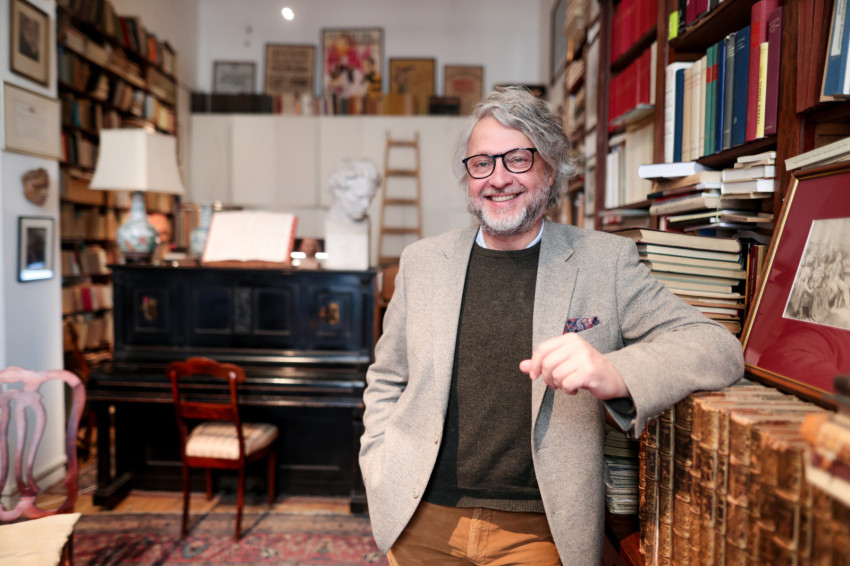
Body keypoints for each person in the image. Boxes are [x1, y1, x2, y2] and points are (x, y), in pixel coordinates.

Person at [359, 86, 744, 565]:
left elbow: (717, 347)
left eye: (518, 159)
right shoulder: (421, 262)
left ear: (551, 168)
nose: (498, 178)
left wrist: (617, 372)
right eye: (482, 163)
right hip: (420, 519)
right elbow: (386, 379)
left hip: (540, 531)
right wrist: (378, 463)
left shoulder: (605, 262)